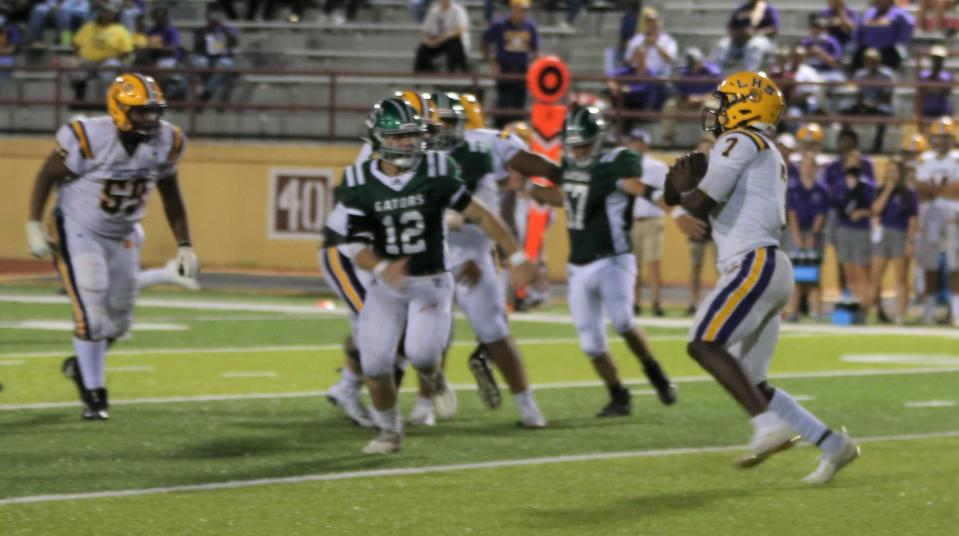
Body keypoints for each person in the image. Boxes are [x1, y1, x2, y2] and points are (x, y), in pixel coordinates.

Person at [666, 70, 859, 483]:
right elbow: (683, 195)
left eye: (725, 103)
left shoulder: (740, 140)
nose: (716, 112)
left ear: (746, 107)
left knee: (703, 343)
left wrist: (684, 193)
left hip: (752, 263)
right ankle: (830, 443)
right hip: (769, 265)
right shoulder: (759, 147)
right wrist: (678, 194)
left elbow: (698, 200)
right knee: (753, 380)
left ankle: (768, 427)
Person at [338, 97, 538, 454]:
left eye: (411, 135)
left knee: (423, 354)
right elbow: (354, 245)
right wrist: (384, 267)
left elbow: (482, 215)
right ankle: (389, 431)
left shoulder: (436, 169)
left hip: (429, 281)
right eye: (398, 137)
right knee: (374, 362)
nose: (406, 143)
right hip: (386, 286)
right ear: (378, 138)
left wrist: (517, 255)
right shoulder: (359, 179)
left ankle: (434, 376)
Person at [25, 73, 196, 420]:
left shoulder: (168, 140)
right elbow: (48, 174)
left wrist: (185, 244)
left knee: (118, 323)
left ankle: (79, 365)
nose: (151, 119)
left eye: (154, 111)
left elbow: (171, 195)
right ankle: (94, 393)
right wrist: (33, 224)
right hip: (79, 229)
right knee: (91, 309)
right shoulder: (90, 136)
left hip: (125, 232)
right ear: (119, 109)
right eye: (141, 112)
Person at [529, 105, 677, 417]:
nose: (580, 151)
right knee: (591, 344)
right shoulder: (571, 166)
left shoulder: (616, 161)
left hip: (614, 259)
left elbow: (633, 186)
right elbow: (569, 196)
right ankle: (619, 395)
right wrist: (535, 191)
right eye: (575, 145)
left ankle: (656, 374)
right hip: (579, 263)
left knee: (623, 321)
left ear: (599, 139)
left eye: (585, 144)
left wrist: (673, 208)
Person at [430, 92, 547, 427]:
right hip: (432, 252)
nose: (442, 130)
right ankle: (425, 400)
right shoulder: (421, 157)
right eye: (438, 123)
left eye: (449, 122)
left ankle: (526, 403)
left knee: (493, 329)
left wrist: (514, 257)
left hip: (470, 251)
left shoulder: (477, 155)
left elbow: (478, 217)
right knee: (427, 337)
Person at [915, 116, 959, 326]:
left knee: (955, 264)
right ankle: (929, 310)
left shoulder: (957, 159)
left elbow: (956, 190)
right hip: (929, 216)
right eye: (938, 137)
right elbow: (921, 190)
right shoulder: (925, 159)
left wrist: (936, 190)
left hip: (954, 216)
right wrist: (943, 190)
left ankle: (957, 311)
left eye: (946, 137)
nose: (941, 141)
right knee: (929, 263)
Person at [869, 157, 918, 324]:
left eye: (895, 171)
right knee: (875, 276)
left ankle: (900, 314)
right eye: (889, 170)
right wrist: (888, 190)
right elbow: (875, 211)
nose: (891, 174)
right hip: (882, 235)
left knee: (901, 277)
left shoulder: (908, 193)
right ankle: (874, 312)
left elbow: (913, 219)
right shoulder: (881, 189)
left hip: (900, 234)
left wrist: (910, 242)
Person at [784, 153, 829, 322]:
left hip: (814, 234)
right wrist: (797, 237)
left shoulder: (821, 189)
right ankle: (792, 311)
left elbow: (821, 214)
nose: (807, 169)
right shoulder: (793, 188)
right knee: (794, 276)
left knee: (814, 275)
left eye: (811, 165)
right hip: (796, 233)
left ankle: (817, 312)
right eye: (804, 165)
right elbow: (792, 214)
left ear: (816, 168)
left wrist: (812, 236)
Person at [626, 129, 667, 316]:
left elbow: (665, 193)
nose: (636, 145)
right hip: (632, 221)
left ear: (646, 144)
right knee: (633, 265)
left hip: (652, 219)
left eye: (639, 142)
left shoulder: (656, 167)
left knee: (654, 263)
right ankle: (634, 302)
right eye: (633, 141)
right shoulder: (625, 165)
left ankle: (656, 302)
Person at [482, 0, 538, 127]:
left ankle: (518, 134)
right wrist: (492, 63)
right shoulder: (500, 26)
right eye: (521, 9)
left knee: (519, 106)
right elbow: (484, 41)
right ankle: (500, 132)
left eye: (525, 10)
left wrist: (534, 67)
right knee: (504, 104)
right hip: (505, 69)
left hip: (522, 70)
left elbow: (535, 50)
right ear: (513, 9)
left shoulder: (530, 27)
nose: (524, 13)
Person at [70, 0, 133, 102]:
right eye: (104, 12)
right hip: (88, 61)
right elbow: (76, 44)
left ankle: (105, 101)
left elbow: (126, 51)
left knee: (108, 70)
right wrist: (77, 58)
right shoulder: (89, 27)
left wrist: (110, 58)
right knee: (77, 68)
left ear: (114, 15)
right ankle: (79, 98)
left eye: (109, 13)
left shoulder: (120, 29)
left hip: (109, 61)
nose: (106, 15)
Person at [844, 48, 896, 153]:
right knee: (844, 112)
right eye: (867, 60)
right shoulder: (860, 74)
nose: (870, 62)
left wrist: (873, 105)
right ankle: (849, 144)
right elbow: (859, 94)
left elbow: (887, 98)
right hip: (864, 105)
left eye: (873, 60)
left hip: (880, 105)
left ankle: (877, 147)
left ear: (879, 61)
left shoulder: (887, 75)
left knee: (883, 114)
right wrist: (862, 105)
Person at [191, 3, 239, 103]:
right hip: (206, 57)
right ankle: (200, 89)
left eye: (216, 13)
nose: (214, 16)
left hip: (224, 57)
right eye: (211, 13)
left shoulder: (229, 28)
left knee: (224, 64)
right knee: (199, 62)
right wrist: (207, 29)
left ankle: (207, 91)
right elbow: (196, 47)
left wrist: (223, 28)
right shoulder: (201, 29)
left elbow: (235, 43)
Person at [851, 0, 914, 72]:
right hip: (867, 48)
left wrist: (899, 39)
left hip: (888, 50)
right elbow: (859, 29)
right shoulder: (870, 12)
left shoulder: (898, 13)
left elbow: (909, 25)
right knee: (856, 60)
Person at [413, 0, 470, 73]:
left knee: (455, 45)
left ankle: (454, 74)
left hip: (454, 40)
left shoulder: (458, 10)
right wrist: (429, 42)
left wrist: (443, 38)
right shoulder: (433, 11)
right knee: (423, 49)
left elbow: (462, 29)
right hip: (439, 40)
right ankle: (421, 76)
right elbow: (425, 31)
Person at [622, 7, 677, 78]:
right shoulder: (636, 39)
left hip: (659, 77)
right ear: (644, 23)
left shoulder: (668, 40)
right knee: (613, 77)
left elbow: (670, 60)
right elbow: (629, 62)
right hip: (638, 75)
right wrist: (643, 44)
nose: (652, 24)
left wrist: (655, 44)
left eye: (654, 21)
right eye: (648, 21)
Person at [801, 14, 844, 83]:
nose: (815, 30)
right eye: (813, 27)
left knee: (839, 79)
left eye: (818, 27)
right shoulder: (806, 42)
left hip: (828, 72)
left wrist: (820, 53)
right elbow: (800, 62)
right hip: (810, 72)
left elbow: (835, 64)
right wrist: (809, 53)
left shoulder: (832, 41)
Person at [918, 45, 955, 119]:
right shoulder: (923, 75)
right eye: (935, 59)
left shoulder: (948, 76)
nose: (937, 61)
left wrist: (936, 82)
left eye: (939, 59)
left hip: (943, 112)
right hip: (927, 112)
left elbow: (947, 92)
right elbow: (920, 93)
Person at [0, 15, 21, 91]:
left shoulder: (12, 29)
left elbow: (11, 49)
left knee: (4, 65)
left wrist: (4, 50)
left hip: (7, 58)